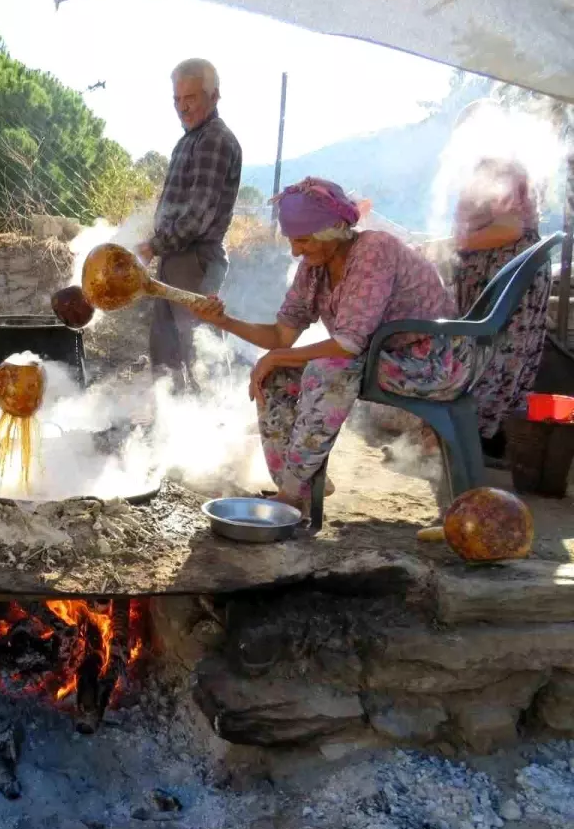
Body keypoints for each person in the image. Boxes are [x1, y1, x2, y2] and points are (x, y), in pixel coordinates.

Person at [187, 177, 481, 511]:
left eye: (303, 240)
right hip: (383, 357)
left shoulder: (374, 250)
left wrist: (278, 355)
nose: (296, 250)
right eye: (292, 241)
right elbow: (281, 337)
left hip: (436, 361)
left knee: (329, 368)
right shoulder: (314, 267)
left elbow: (347, 346)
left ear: (334, 230)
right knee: (277, 373)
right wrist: (224, 321)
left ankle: (292, 493)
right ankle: (300, 482)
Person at [137, 58, 242, 390]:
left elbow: (198, 217)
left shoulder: (214, 140)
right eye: (177, 100)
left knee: (198, 354)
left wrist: (153, 246)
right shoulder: (190, 140)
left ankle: (213, 426)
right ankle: (174, 426)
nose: (183, 108)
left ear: (214, 96)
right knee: (167, 351)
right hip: (178, 258)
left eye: (191, 98)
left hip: (195, 261)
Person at [451, 155, 549, 463]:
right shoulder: (490, 171)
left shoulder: (501, 170)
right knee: (497, 356)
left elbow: (509, 228)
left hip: (506, 277)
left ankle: (480, 438)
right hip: (499, 277)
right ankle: (486, 439)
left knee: (497, 356)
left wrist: (453, 243)